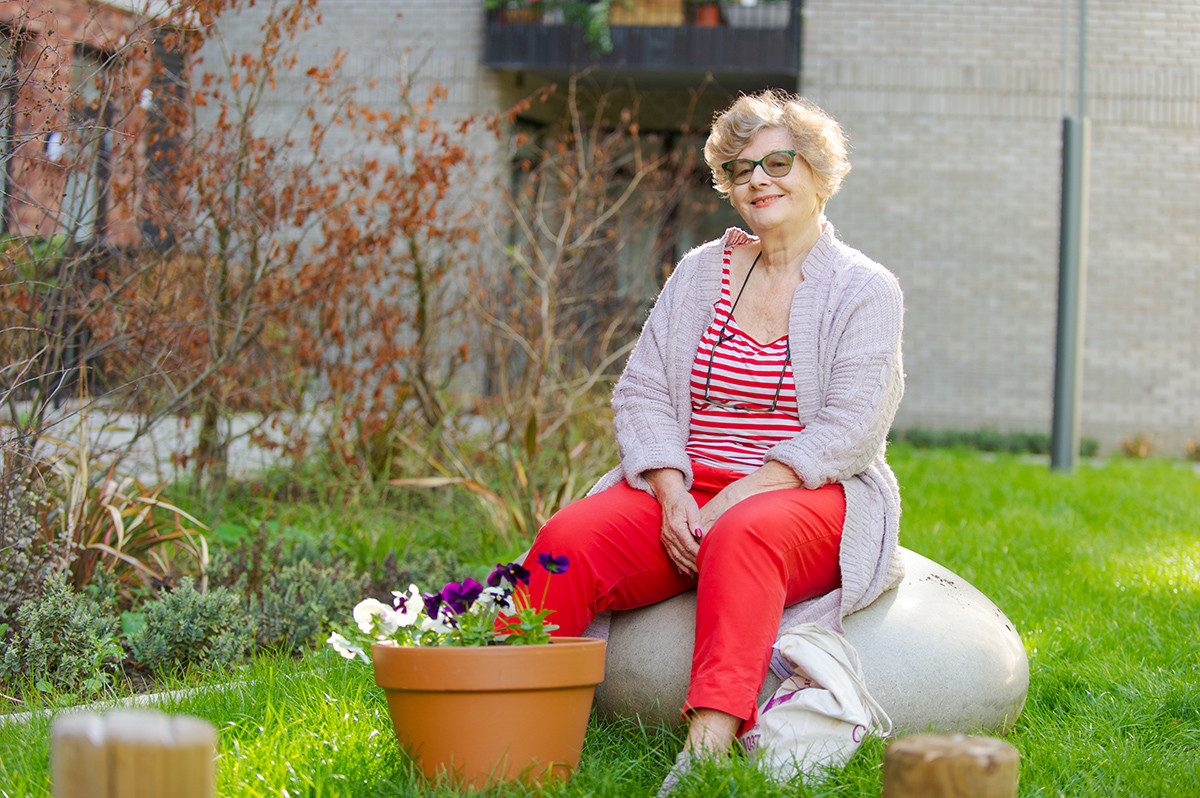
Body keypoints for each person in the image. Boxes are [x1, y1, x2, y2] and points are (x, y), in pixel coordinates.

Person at [519, 89, 906, 792]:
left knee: (745, 533)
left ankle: (706, 753)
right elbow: (640, 392)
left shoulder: (864, 288)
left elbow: (851, 428)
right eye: (739, 169)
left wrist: (737, 497)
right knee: (565, 543)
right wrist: (670, 494)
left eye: (777, 162)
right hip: (690, 486)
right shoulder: (702, 271)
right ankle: (512, 729)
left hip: (806, 494)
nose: (758, 179)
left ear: (818, 171)